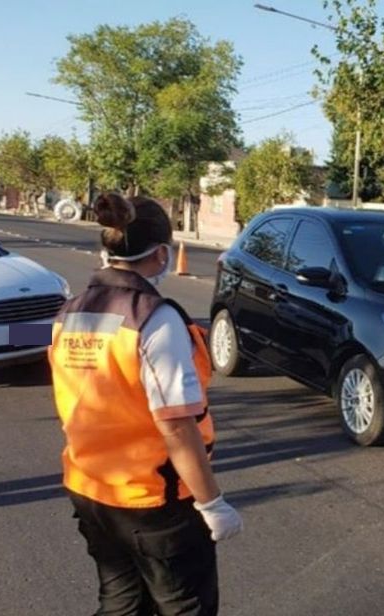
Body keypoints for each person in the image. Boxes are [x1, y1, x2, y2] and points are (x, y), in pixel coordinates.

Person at [49, 193, 242, 615]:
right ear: (160, 253)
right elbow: (176, 425)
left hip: (91, 490)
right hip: (154, 502)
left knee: (121, 604)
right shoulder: (154, 319)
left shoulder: (71, 313)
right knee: (183, 607)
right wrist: (211, 503)